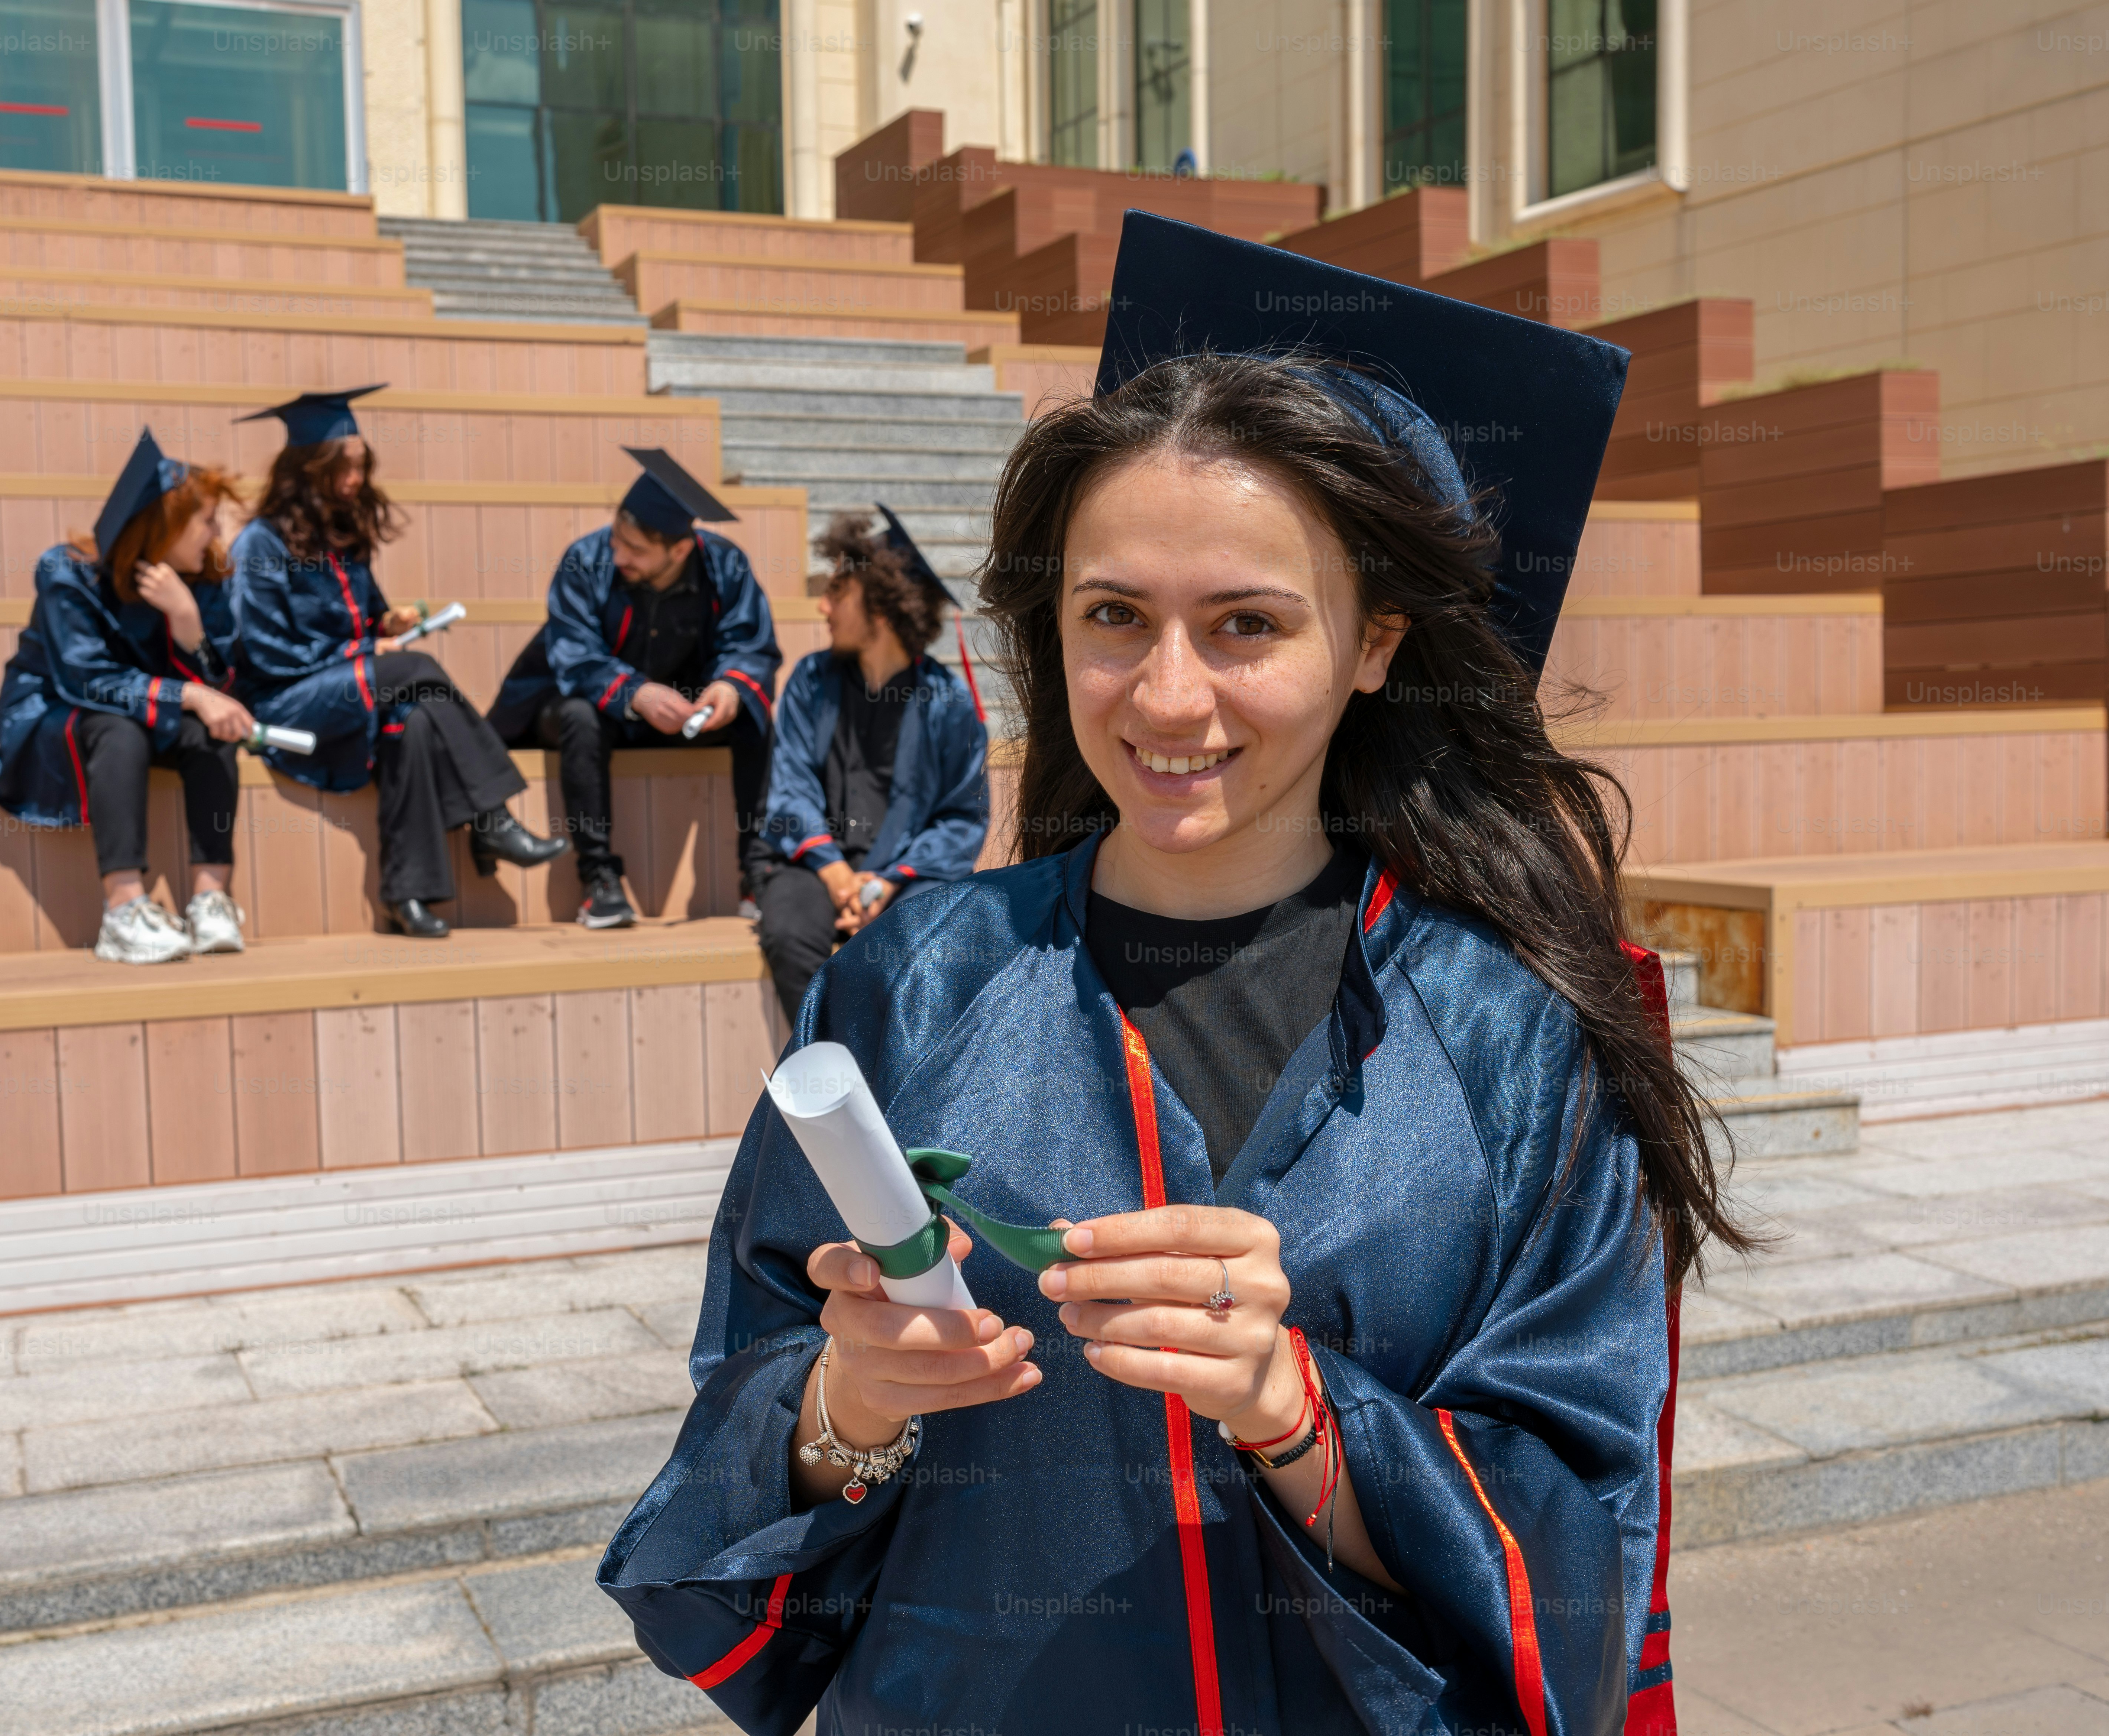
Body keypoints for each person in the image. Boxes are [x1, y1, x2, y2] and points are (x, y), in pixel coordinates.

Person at [598, 214, 1755, 1734]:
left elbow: (1583, 1561)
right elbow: (714, 1535)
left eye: (1247, 625)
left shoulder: (1510, 1037)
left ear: (1375, 642)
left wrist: (1301, 1415)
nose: (1166, 694)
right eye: (1114, 618)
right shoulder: (912, 988)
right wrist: (846, 1408)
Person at [227, 386, 567, 940]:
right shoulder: (259, 546)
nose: (358, 479)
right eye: (346, 467)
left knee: (414, 723)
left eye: (362, 465)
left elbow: (357, 623)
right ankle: (493, 819)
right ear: (307, 471)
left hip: (344, 688)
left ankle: (408, 896)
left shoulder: (342, 537)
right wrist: (363, 651)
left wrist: (386, 624)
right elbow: (263, 651)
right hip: (283, 705)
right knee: (414, 672)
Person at [0, 430, 257, 965]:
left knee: (210, 732)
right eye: (206, 520)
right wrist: (191, 694)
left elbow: (217, 694)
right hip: (57, 713)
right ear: (165, 525)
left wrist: (189, 626)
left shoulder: (201, 580)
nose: (216, 533)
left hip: (151, 709)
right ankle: (124, 911)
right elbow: (87, 680)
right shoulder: (68, 573)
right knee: (120, 728)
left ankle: (210, 898)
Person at [493, 447, 779, 930]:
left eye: (637, 550)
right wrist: (635, 693)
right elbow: (574, 653)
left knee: (753, 710)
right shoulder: (586, 561)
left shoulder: (725, 566)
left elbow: (749, 643)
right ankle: (599, 880)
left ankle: (759, 872)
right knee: (581, 716)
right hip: (585, 706)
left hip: (681, 711)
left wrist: (730, 687)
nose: (620, 555)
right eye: (617, 539)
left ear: (681, 550)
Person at [754, 506, 989, 1021]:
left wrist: (887, 882)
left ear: (880, 610)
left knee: (921, 938)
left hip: (912, 875)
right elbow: (790, 788)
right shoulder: (811, 682)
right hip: (814, 864)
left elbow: (961, 820)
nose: (823, 607)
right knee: (789, 933)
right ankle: (827, 1083)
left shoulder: (949, 707)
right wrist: (839, 874)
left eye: (838, 592)